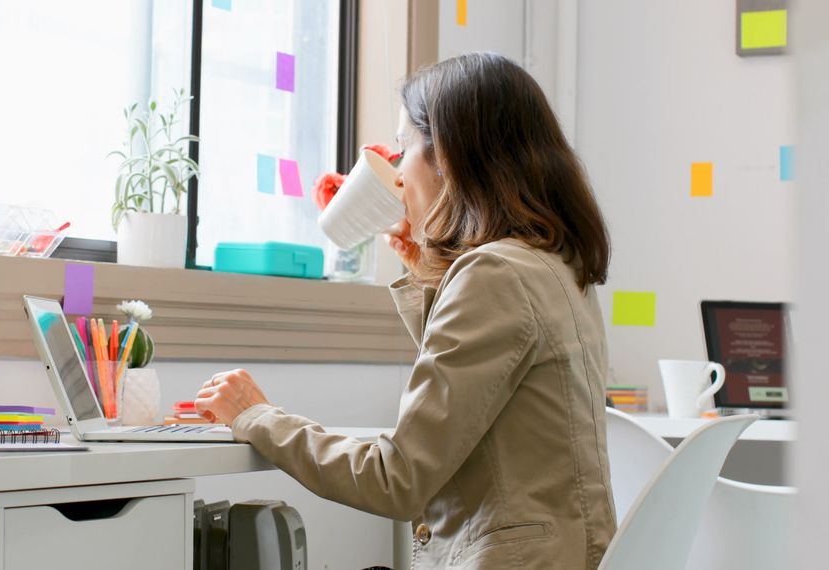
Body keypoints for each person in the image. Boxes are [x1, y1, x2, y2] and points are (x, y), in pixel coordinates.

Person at [194, 52, 615, 569]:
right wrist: (430, 275)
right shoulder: (553, 265)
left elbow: (396, 480)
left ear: (451, 158)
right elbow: (476, 408)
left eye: (402, 149)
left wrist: (257, 417)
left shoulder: (496, 277)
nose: (396, 176)